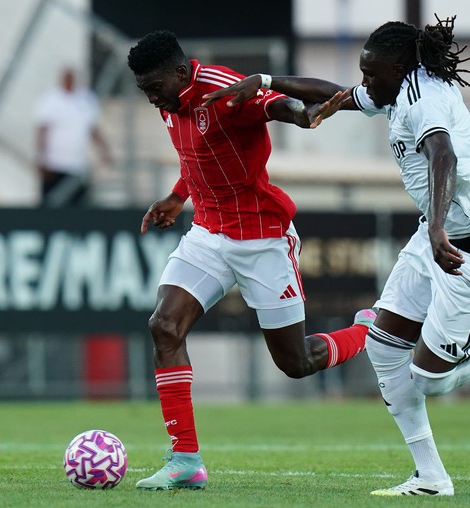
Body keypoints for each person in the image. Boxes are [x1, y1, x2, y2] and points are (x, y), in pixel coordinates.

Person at [203, 15, 470, 497]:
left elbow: (443, 157)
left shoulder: (424, 99)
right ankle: (431, 477)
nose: (365, 82)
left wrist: (436, 227)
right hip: (432, 238)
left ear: (400, 67)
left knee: (433, 381)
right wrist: (266, 82)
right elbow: (341, 94)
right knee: (384, 345)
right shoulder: (396, 85)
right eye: (364, 72)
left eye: (372, 74)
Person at [126, 30, 375, 491]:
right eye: (145, 91)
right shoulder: (171, 101)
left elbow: (274, 104)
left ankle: (368, 331)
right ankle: (185, 461)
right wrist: (177, 197)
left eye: (154, 87)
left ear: (181, 73)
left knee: (295, 363)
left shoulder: (222, 88)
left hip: (262, 238)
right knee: (164, 326)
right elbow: (198, 152)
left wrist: (300, 114)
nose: (151, 99)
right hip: (208, 233)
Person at [33, 67, 112, 206]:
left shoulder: (86, 99)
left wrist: (104, 152)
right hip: (54, 164)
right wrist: (42, 158)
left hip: (77, 165)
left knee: (77, 205)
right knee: (51, 204)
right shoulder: (51, 99)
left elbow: (93, 129)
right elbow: (42, 131)